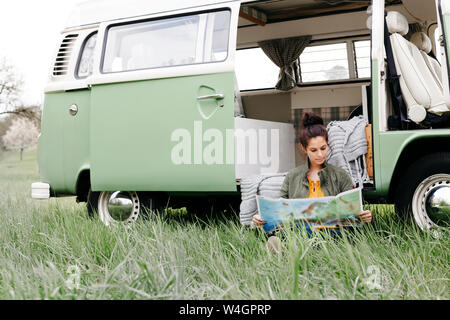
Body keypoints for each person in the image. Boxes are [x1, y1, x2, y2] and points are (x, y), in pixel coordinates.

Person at [252, 112, 372, 254]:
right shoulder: (292, 176)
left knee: (335, 238)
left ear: (328, 145)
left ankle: (297, 250)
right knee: (291, 234)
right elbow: (279, 210)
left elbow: (354, 210)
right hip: (301, 230)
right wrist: (260, 218)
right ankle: (293, 248)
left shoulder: (340, 175)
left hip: (333, 232)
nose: (320, 155)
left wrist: (364, 215)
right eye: (313, 150)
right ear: (304, 149)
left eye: (323, 148)